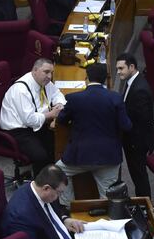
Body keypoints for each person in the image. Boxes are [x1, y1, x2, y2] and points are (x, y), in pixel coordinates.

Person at [55, 63, 132, 205]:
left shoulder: (74, 98)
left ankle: (68, 206)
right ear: (105, 79)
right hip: (108, 157)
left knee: (58, 172)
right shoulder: (116, 98)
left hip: (79, 156)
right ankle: (108, 213)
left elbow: (61, 120)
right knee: (108, 195)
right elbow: (126, 126)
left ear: (87, 78)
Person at [0, 166, 85, 239]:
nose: (59, 196)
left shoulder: (38, 190)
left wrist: (65, 220)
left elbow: (53, 211)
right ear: (46, 188)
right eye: (59, 193)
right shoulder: (21, 216)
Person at [0, 58, 67, 175]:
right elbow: (29, 120)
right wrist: (51, 114)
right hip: (17, 130)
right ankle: (40, 183)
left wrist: (59, 104)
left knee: (59, 143)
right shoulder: (21, 90)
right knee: (41, 156)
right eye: (46, 72)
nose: (49, 76)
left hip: (37, 123)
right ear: (35, 70)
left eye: (51, 73)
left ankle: (52, 176)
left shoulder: (43, 81)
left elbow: (57, 94)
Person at [115, 53, 154, 198]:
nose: (118, 72)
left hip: (137, 142)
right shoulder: (133, 81)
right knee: (136, 173)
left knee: (139, 175)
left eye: (121, 68)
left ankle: (144, 204)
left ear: (131, 67)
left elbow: (140, 122)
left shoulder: (140, 89)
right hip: (132, 138)